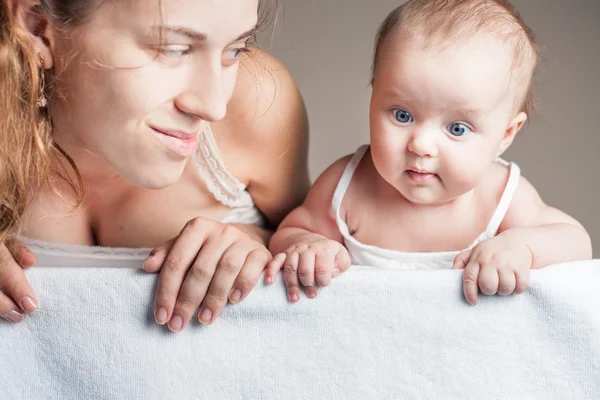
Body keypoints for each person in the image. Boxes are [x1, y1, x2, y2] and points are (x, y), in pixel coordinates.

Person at [0, 0, 310, 331]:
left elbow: (323, 241)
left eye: (235, 50)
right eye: (174, 50)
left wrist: (259, 241)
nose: (213, 106)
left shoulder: (256, 102)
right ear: (38, 28)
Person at [266, 0, 592, 305]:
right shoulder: (346, 186)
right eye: (402, 115)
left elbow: (575, 241)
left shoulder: (500, 196)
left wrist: (521, 246)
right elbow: (289, 231)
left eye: (457, 129)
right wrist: (307, 246)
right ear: (373, 96)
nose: (420, 145)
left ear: (506, 134)